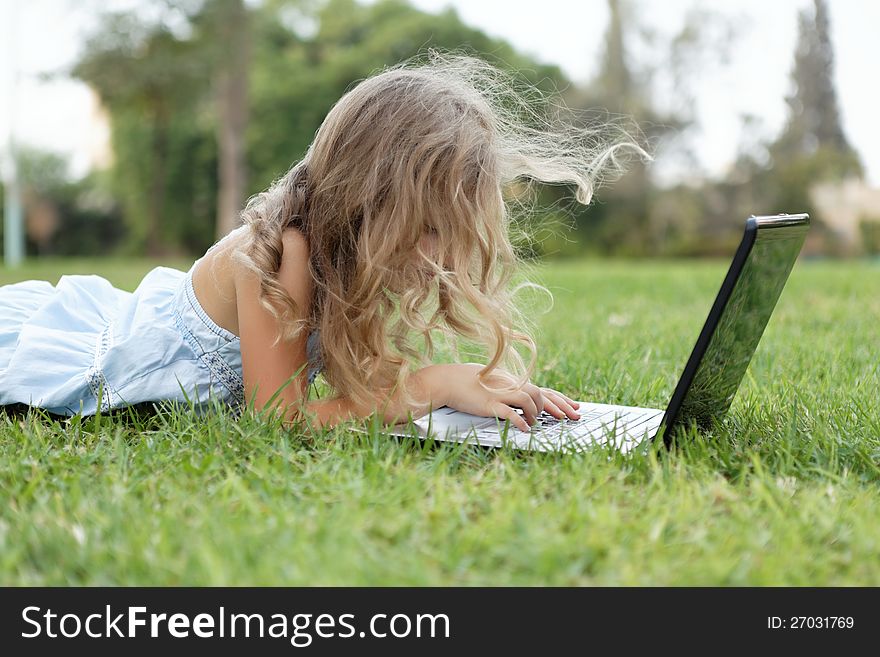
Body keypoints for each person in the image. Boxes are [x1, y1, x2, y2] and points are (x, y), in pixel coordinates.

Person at [0, 51, 644, 433]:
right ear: (370, 199)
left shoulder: (347, 249)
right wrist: (429, 387)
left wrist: (474, 385)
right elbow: (278, 419)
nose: (445, 257)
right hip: (95, 343)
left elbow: (346, 384)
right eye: (430, 230)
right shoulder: (284, 252)